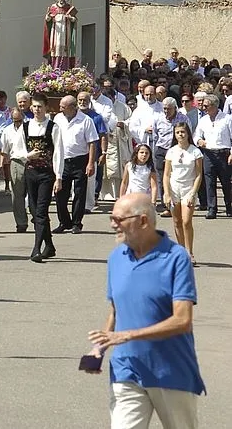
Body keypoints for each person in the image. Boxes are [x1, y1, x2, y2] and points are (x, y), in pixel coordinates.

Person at [86, 194, 205, 428]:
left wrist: (128, 335)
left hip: (170, 371)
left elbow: (182, 320)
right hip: (126, 369)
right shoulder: (116, 257)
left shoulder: (176, 258)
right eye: (111, 218)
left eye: (118, 219)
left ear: (143, 221)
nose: (113, 225)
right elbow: (116, 309)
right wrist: (99, 347)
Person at [13, 94, 64, 262]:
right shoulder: (25, 127)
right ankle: (49, 246)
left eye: (40, 106)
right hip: (31, 173)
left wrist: (58, 177)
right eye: (34, 106)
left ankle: (36, 249)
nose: (37, 110)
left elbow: (58, 153)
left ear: (46, 107)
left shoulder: (53, 127)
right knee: (35, 211)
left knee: (41, 211)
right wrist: (28, 155)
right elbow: (16, 150)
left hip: (47, 174)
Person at [52, 95, 98, 234]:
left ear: (72, 107)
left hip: (80, 160)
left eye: (63, 107)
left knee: (79, 193)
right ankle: (64, 222)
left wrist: (90, 163)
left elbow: (92, 143)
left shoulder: (86, 120)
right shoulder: (58, 118)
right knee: (60, 193)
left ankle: (77, 223)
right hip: (63, 161)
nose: (60, 109)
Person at [164, 122, 203, 266]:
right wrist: (167, 193)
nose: (180, 135)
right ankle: (181, 253)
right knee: (177, 222)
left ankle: (189, 252)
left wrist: (193, 193)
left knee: (186, 221)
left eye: (183, 132)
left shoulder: (195, 152)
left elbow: (199, 175)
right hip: (174, 189)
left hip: (188, 189)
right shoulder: (171, 151)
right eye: (178, 132)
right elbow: (166, 174)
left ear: (187, 133)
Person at [191, 94, 232, 219]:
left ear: (214, 106)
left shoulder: (227, 119)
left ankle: (229, 207)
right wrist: (199, 141)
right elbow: (196, 135)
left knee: (226, 182)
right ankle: (212, 209)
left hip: (223, 153)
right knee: (209, 182)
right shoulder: (203, 120)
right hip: (208, 154)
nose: (204, 108)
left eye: (206, 106)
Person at [77, 92, 108, 213]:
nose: (82, 102)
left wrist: (103, 153)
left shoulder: (97, 117)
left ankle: (88, 205)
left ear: (89, 101)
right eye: (80, 100)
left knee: (90, 182)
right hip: (77, 154)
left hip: (93, 154)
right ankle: (77, 204)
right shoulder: (73, 116)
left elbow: (103, 136)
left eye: (85, 100)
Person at [0, 108, 29, 232]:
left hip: (31, 161)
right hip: (16, 162)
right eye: (15, 121)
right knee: (17, 195)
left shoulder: (30, 128)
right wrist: (2, 166)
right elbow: (4, 151)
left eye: (19, 121)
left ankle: (37, 218)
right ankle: (21, 223)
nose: (17, 123)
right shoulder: (7, 131)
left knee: (34, 194)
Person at [43, 0, 77, 69]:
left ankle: (65, 67)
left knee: (64, 48)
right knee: (56, 47)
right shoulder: (53, 7)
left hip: (65, 30)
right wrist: (48, 16)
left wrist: (70, 18)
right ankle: (55, 66)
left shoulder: (68, 7)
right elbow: (48, 20)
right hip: (56, 30)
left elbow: (74, 20)